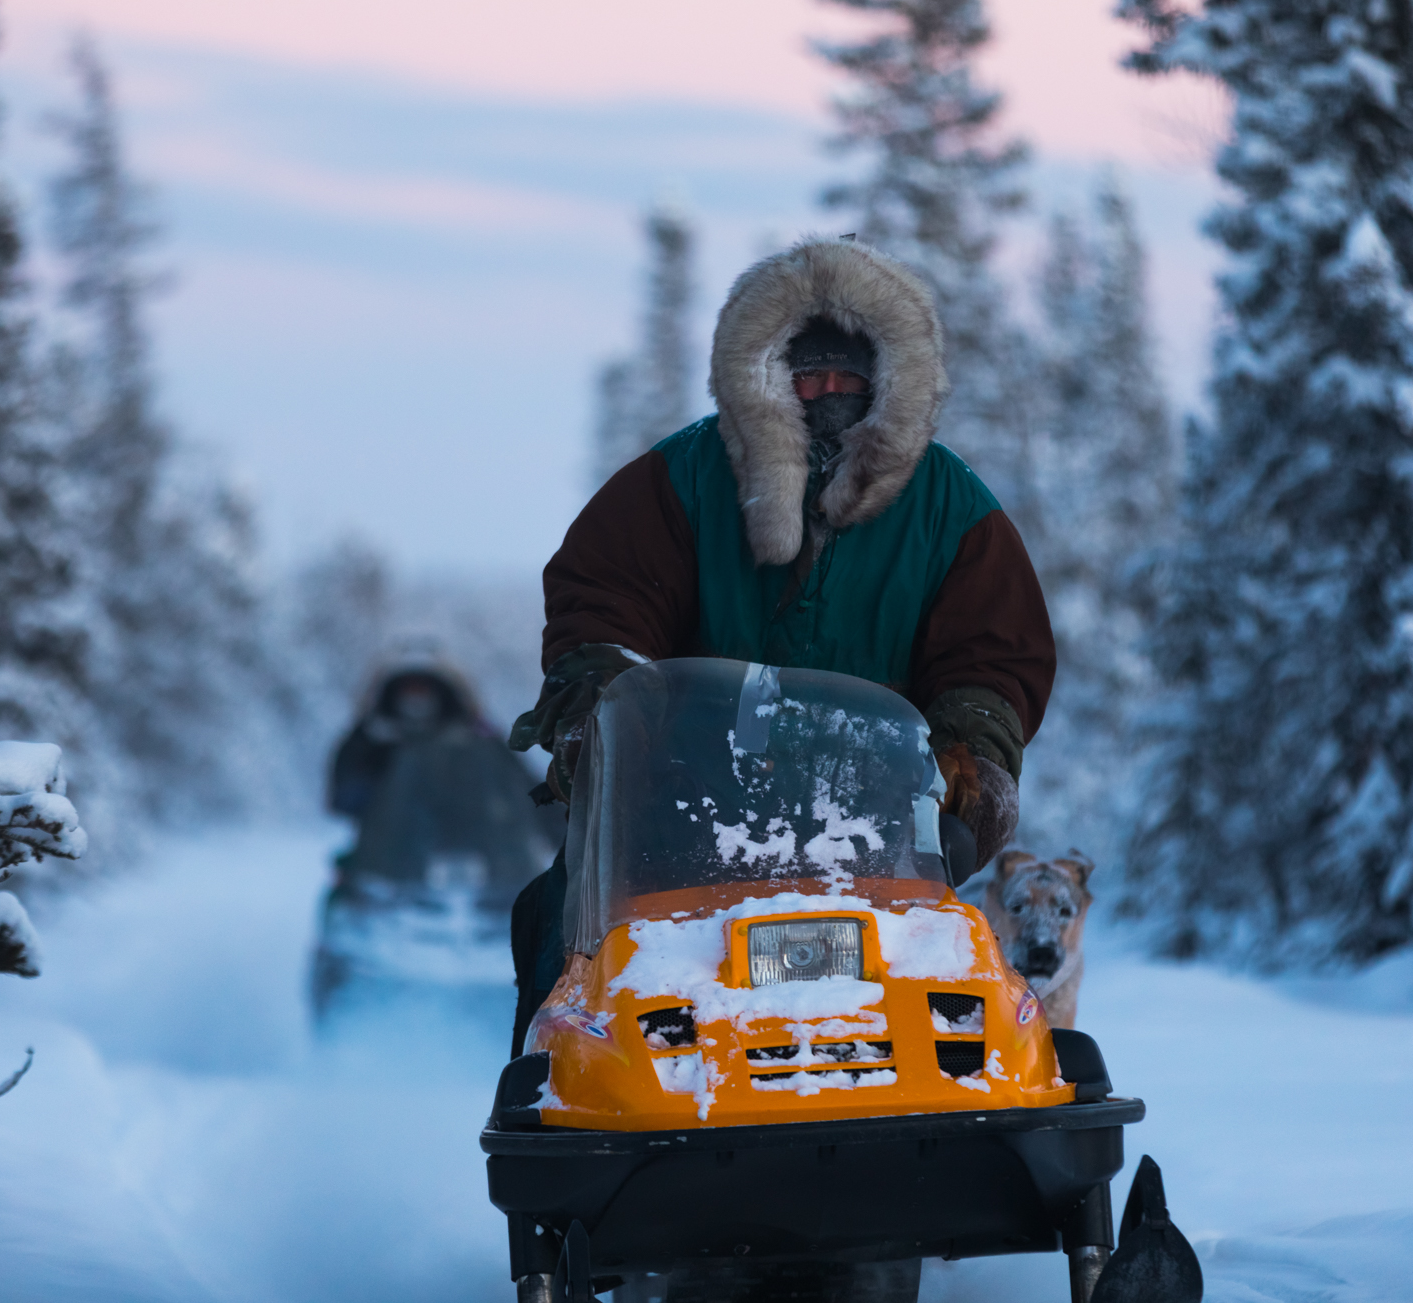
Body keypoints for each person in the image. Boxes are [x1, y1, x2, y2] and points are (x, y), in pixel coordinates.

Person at [507, 236, 1056, 1051]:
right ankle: (546, 1103)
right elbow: (606, 598)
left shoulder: (950, 506)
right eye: (809, 374)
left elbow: (993, 649)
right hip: (683, 824)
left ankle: (990, 1116)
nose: (828, 393)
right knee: (554, 927)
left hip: (877, 830)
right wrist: (600, 693)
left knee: (968, 982)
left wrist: (971, 750)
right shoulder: (680, 481)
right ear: (763, 378)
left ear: (885, 382)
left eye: (848, 376)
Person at [325, 664, 552, 903]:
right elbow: (343, 800)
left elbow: (532, 794)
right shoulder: (375, 743)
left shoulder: (481, 744)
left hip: (494, 882)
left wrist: (574, 839)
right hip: (392, 880)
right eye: (408, 690)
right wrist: (365, 744)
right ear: (392, 696)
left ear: (443, 694)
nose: (416, 699)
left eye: (423, 690)